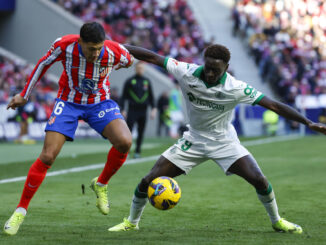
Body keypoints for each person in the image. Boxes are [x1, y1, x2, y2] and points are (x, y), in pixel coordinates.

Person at [108, 44, 326, 233]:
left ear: (226, 68)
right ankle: (131, 222)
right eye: (208, 67)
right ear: (204, 62)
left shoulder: (236, 88)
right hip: (193, 140)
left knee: (259, 180)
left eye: (216, 70)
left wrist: (308, 122)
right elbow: (153, 57)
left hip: (224, 142)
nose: (211, 73)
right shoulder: (186, 72)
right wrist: (115, 45)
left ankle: (277, 221)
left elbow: (274, 105)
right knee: (148, 181)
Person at [3, 22, 134, 236]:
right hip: (68, 103)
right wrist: (24, 95)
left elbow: (129, 60)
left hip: (99, 103)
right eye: (91, 48)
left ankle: (101, 184)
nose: (96, 53)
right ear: (80, 41)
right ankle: (20, 210)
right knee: (47, 156)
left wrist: (118, 64)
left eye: (99, 48)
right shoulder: (64, 45)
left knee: (125, 142)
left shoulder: (112, 51)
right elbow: (42, 64)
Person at [120, 62, 156, 158]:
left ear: (144, 69)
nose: (140, 69)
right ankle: (125, 152)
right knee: (128, 132)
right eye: (138, 68)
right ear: (135, 68)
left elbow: (151, 97)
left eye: (142, 68)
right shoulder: (130, 81)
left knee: (141, 132)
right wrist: (123, 109)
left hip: (143, 111)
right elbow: (123, 97)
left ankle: (137, 151)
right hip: (132, 110)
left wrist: (153, 109)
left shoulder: (147, 81)